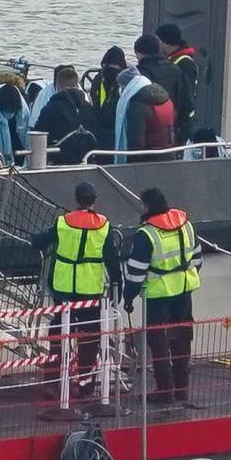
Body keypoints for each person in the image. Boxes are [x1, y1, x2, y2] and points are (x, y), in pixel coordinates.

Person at [31, 180, 122, 398]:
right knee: (89, 337)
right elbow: (112, 260)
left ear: (76, 199)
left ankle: (54, 383)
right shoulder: (103, 225)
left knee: (58, 333)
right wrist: (119, 285)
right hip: (90, 290)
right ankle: (85, 384)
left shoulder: (63, 222)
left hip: (64, 289)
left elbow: (39, 242)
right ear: (94, 201)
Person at [123, 188, 202, 403]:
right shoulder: (186, 225)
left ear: (146, 206)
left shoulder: (146, 234)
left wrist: (128, 296)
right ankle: (182, 389)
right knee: (182, 341)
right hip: (184, 291)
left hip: (158, 297)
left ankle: (164, 390)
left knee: (159, 342)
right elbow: (197, 259)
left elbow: (136, 271)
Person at [114, 66, 176, 163]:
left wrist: (129, 166)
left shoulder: (137, 105)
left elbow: (136, 141)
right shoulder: (165, 97)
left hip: (147, 162)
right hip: (169, 154)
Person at [156, 23, 199, 147]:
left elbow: (187, 95)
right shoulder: (173, 60)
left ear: (164, 42)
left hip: (181, 122)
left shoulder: (184, 63)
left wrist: (179, 119)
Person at [34, 66, 98, 148]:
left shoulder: (51, 108)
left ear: (57, 86)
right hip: (88, 156)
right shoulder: (89, 108)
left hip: (59, 157)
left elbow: (38, 133)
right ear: (77, 85)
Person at [88, 46, 127, 160]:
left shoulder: (124, 83)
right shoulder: (98, 79)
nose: (109, 68)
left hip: (116, 126)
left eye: (113, 65)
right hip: (100, 126)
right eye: (106, 65)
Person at [134, 34, 182, 126]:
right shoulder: (176, 70)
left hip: (148, 125)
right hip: (171, 123)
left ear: (139, 53)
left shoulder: (140, 74)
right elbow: (185, 102)